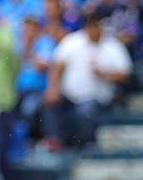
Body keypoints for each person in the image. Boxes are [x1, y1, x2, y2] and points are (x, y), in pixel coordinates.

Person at [41, 14, 131, 149]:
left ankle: (85, 146)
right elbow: (57, 65)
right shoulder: (72, 41)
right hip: (69, 94)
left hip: (98, 98)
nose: (94, 31)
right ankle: (54, 142)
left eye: (96, 27)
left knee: (85, 111)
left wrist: (104, 73)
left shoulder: (112, 45)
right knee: (47, 104)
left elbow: (126, 73)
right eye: (91, 27)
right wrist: (52, 88)